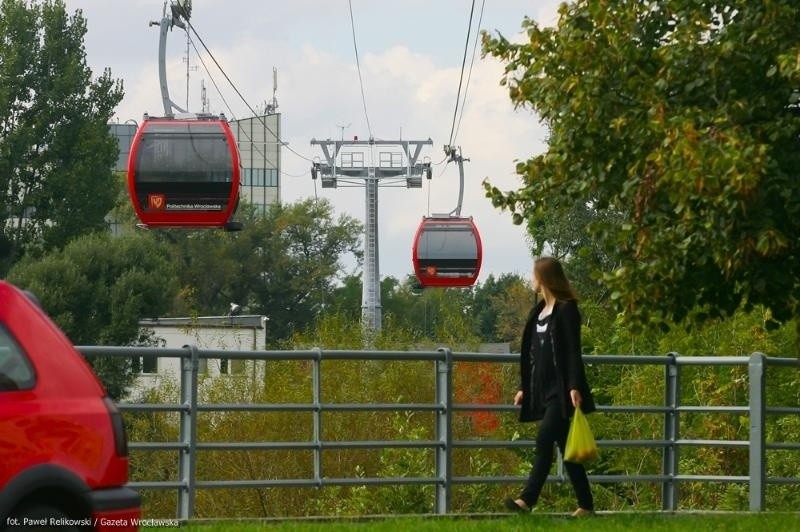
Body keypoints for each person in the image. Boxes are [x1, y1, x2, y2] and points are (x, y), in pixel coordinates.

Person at [503, 256, 596, 517]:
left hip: (562, 388)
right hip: (542, 389)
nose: (531, 279)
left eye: (534, 274)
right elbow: (533, 355)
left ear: (543, 277)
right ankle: (586, 506)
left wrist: (575, 386)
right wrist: (525, 387)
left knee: (544, 438)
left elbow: (572, 352)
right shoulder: (538, 312)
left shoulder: (567, 309)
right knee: (567, 448)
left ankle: (526, 500)